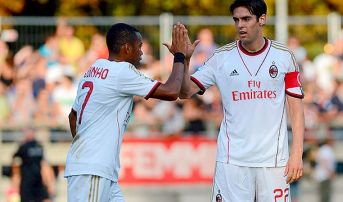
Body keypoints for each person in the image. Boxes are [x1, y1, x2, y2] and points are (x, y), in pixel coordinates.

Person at [176, 0, 305, 201]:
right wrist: (183, 60)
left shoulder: (284, 56)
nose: (240, 25)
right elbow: (185, 92)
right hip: (232, 161)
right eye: (236, 20)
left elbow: (296, 109)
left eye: (246, 19)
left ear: (262, 19)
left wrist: (297, 153)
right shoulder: (220, 57)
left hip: (273, 161)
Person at [64, 22, 198, 201]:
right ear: (127, 48)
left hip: (99, 169)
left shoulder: (93, 69)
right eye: (139, 47)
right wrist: (179, 56)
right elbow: (172, 91)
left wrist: (85, 150)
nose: (142, 52)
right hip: (93, 169)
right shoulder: (122, 71)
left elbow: (73, 116)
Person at [12, 127, 54, 202]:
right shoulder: (39, 146)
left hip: (28, 181)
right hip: (36, 179)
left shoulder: (23, 147)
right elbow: (44, 165)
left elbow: (15, 161)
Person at [313, 137, 336, 202]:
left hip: (322, 175)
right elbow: (324, 161)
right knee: (325, 195)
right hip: (325, 175)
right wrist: (330, 172)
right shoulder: (327, 149)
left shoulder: (322, 149)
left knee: (323, 195)